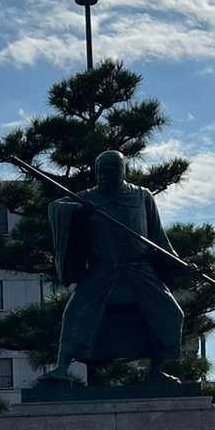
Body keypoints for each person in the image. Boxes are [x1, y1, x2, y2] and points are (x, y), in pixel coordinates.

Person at [45, 149, 184, 383]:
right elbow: (56, 207)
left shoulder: (142, 196)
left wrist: (179, 262)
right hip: (103, 269)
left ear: (123, 170)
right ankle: (61, 368)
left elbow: (159, 238)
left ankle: (156, 370)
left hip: (138, 267)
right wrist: (77, 210)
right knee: (75, 313)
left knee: (170, 312)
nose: (105, 175)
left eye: (111, 170)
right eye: (101, 170)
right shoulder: (87, 198)